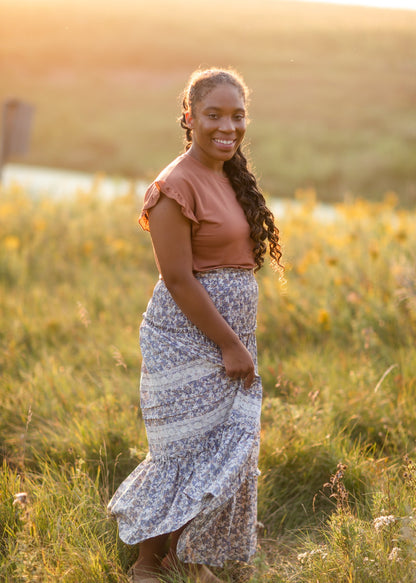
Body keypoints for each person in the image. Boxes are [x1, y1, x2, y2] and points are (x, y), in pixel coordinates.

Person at [108, 67, 283, 583]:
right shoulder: (173, 186)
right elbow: (179, 279)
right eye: (214, 115)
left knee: (222, 448)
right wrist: (230, 345)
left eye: (237, 114)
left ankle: (191, 557)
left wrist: (235, 339)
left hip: (223, 337)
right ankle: (147, 565)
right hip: (185, 339)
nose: (227, 125)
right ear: (189, 118)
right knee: (184, 450)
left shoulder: (226, 173)